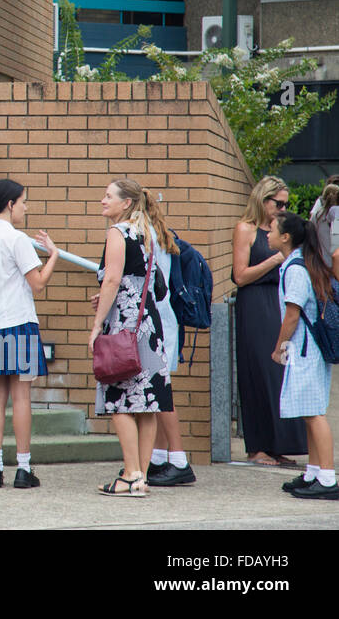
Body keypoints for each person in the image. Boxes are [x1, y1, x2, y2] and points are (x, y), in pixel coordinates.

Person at [0, 180, 57, 489]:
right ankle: (23, 468)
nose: (25, 207)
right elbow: (38, 284)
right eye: (23, 201)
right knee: (21, 396)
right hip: (18, 322)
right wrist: (53, 256)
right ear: (9, 204)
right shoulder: (16, 239)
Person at [90, 179, 173, 496]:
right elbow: (139, 282)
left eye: (108, 196)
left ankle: (130, 473)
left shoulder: (117, 232)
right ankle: (141, 475)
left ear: (126, 203)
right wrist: (107, 297)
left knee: (119, 397)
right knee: (147, 402)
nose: (102, 200)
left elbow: (112, 279)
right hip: (148, 325)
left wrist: (97, 325)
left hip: (123, 326)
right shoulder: (146, 233)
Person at [232, 176, 307, 465]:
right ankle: (257, 447)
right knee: (259, 371)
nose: (282, 209)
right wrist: (273, 260)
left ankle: (277, 444)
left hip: (279, 301)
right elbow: (240, 276)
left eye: (286, 204)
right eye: (278, 203)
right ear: (263, 200)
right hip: (254, 304)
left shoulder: (281, 231)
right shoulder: (245, 229)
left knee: (280, 373)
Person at [270, 211, 338, 500]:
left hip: (305, 349)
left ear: (285, 237)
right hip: (309, 349)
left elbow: (292, 315)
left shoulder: (295, 268)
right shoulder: (298, 263)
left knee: (313, 414)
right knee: (310, 411)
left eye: (272, 229)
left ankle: (327, 477)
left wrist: (279, 346)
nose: (268, 233)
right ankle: (314, 472)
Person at [145, 213, 196, 487]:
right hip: (166, 319)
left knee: (161, 393)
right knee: (160, 389)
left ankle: (178, 461)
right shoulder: (161, 232)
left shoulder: (144, 235)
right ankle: (159, 458)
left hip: (156, 321)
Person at [307, 183, 339, 275]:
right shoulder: (336, 217)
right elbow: (336, 250)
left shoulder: (316, 216)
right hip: (335, 269)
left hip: (320, 267)